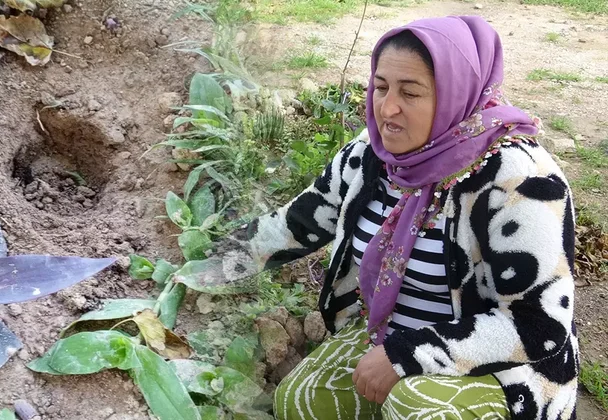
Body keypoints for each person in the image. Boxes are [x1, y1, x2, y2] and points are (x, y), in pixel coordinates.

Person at [184, 15, 578, 420]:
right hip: (389, 333)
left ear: (456, 95)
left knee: (420, 409)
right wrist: (208, 264)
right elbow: (300, 221)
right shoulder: (373, 154)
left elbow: (540, 326)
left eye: (411, 92)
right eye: (381, 87)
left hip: (500, 368)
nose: (388, 108)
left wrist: (408, 356)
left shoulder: (519, 181)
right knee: (300, 401)